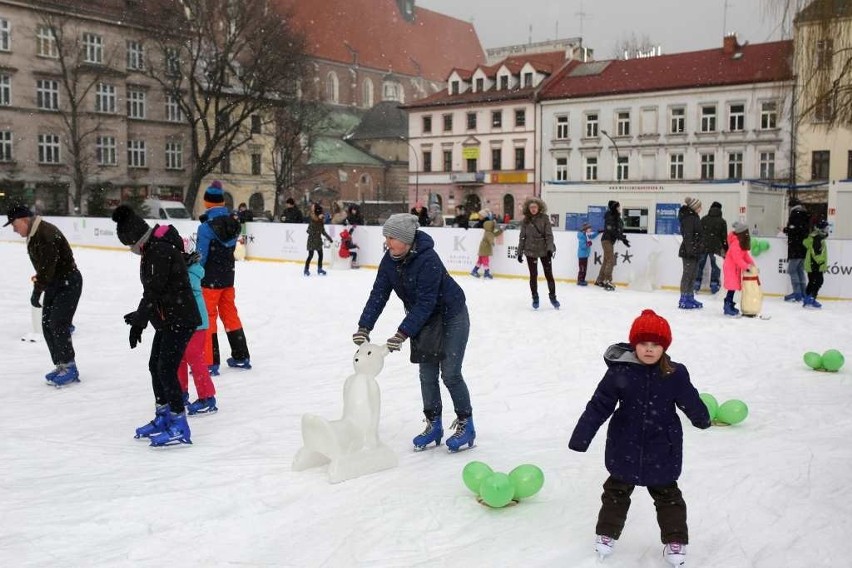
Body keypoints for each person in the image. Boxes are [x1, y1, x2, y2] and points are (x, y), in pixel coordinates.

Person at [568, 309, 710, 566]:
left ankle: (675, 540)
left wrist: (701, 418)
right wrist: (582, 436)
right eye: (643, 343)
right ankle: (606, 534)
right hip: (625, 444)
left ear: (664, 347)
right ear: (635, 344)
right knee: (615, 491)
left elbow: (689, 399)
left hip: (662, 446)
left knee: (668, 496)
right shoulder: (619, 372)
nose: (649, 349)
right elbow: (599, 405)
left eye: (655, 344)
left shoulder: (674, 374)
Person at [352, 213, 475, 452]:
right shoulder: (389, 260)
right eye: (386, 236)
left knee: (450, 373)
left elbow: (427, 302)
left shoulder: (428, 259)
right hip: (423, 320)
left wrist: (403, 332)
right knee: (426, 374)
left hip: (451, 315)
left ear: (407, 240)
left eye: (392, 237)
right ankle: (434, 424)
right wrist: (364, 326)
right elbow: (379, 294)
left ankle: (466, 424)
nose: (387, 242)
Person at [112, 205, 199, 446]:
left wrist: (140, 321)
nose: (132, 252)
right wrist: (139, 317)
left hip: (180, 318)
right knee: (155, 365)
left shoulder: (158, 252)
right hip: (167, 317)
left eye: (130, 247)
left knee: (165, 368)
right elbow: (155, 292)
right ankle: (163, 415)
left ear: (136, 241)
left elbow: (154, 291)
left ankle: (179, 424)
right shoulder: (152, 249)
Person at [5, 205, 83, 386]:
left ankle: (70, 367)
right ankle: (62, 365)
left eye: (14, 225)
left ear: (24, 220)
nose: (14, 230)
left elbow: (47, 269)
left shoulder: (45, 234)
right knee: (47, 324)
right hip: (54, 283)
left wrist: (36, 291)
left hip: (68, 283)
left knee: (58, 323)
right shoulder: (35, 233)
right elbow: (45, 270)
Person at [197, 180, 252, 374]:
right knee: (230, 314)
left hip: (210, 280)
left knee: (209, 317)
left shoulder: (205, 228)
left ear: (208, 203)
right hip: (228, 278)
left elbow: (201, 257)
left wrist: (194, 273)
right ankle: (241, 355)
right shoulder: (232, 223)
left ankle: (210, 361)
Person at [177, 251, 218, 414]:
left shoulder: (191, 271)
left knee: (194, 356)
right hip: (181, 321)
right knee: (179, 355)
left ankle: (207, 397)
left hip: (197, 322)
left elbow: (186, 289)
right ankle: (180, 392)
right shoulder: (179, 269)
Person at [517, 197, 559, 309]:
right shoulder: (526, 221)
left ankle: (553, 297)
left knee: (549, 275)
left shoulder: (544, 218)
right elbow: (522, 237)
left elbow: (549, 235)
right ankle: (535, 298)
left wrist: (550, 249)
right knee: (533, 275)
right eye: (531, 207)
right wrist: (519, 252)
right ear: (528, 208)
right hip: (530, 251)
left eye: (535, 207)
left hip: (544, 251)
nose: (533, 209)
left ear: (539, 207)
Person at [721, 221, 755, 316]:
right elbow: (737, 258)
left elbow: (745, 255)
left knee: (733, 287)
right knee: (732, 287)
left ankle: (729, 304)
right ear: (742, 232)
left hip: (735, 267)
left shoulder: (741, 242)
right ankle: (727, 306)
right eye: (746, 231)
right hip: (730, 267)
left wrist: (752, 264)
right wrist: (746, 267)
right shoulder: (736, 243)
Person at [595, 200, 629, 291]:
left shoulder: (615, 216)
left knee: (606, 260)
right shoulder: (610, 216)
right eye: (618, 206)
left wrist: (623, 238)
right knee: (610, 260)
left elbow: (617, 229)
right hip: (607, 240)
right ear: (614, 207)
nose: (619, 208)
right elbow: (611, 230)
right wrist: (621, 238)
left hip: (608, 240)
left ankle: (600, 280)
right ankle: (607, 280)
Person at [677, 197, 705, 310]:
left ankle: (690, 296)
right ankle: (683, 298)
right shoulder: (689, 218)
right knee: (687, 275)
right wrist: (691, 250)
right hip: (689, 252)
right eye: (699, 207)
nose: (701, 209)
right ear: (694, 208)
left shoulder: (694, 217)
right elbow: (688, 236)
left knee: (693, 275)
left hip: (695, 250)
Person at [695, 201, 727, 294]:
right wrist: (725, 249)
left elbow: (698, 233)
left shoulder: (704, 219)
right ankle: (714, 286)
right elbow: (724, 237)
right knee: (715, 266)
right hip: (716, 247)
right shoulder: (722, 221)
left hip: (703, 245)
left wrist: (699, 244)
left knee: (699, 265)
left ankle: (696, 284)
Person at [783, 198, 811, 302]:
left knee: (791, 270)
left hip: (796, 247)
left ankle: (797, 292)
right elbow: (802, 229)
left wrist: (786, 229)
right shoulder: (805, 214)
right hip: (803, 247)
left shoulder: (795, 214)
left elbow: (794, 229)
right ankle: (803, 292)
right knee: (800, 270)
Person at [803, 220, 830, 309]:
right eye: (826, 228)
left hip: (812, 263)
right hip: (815, 264)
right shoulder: (818, 238)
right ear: (821, 229)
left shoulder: (816, 237)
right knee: (818, 281)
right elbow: (815, 252)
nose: (827, 230)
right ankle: (811, 298)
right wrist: (820, 261)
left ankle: (807, 299)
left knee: (812, 281)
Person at [470, 215, 503, 279]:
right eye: (493, 226)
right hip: (485, 249)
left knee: (480, 261)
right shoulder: (489, 233)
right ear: (490, 227)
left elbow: (495, 234)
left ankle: (474, 271)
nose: (494, 227)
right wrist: (492, 242)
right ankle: (486, 273)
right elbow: (490, 238)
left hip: (482, 249)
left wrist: (501, 231)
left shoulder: (488, 232)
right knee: (485, 261)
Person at [305, 203, 333, 276]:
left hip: (318, 241)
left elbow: (323, 231)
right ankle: (306, 269)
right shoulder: (313, 221)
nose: (322, 216)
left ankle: (319, 269)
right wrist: (315, 231)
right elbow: (308, 230)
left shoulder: (321, 222)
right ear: (318, 214)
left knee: (320, 255)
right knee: (310, 255)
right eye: (320, 214)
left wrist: (329, 238)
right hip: (311, 240)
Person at [576, 222, 598, 286]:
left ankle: (582, 279)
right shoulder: (582, 236)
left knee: (584, 268)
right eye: (589, 228)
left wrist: (598, 232)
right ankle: (580, 280)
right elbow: (582, 246)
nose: (590, 229)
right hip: (582, 255)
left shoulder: (586, 235)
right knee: (582, 268)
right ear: (585, 229)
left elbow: (592, 236)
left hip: (585, 255)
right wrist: (588, 244)